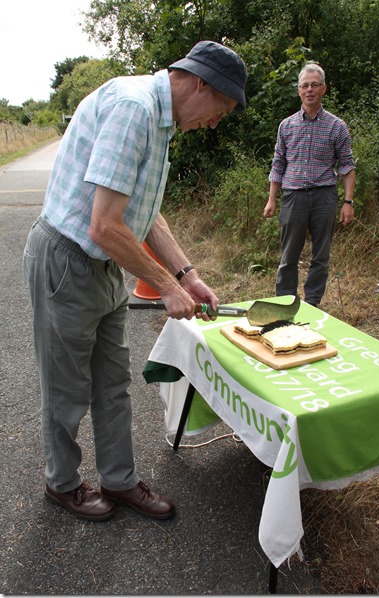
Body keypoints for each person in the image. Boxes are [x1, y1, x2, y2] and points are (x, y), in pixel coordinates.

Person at [23, 41, 248, 522]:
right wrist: (167, 287)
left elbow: (144, 213)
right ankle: (61, 485)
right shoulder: (134, 108)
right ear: (200, 83)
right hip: (66, 260)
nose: (216, 122)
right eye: (221, 109)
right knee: (66, 390)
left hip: (104, 266)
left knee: (112, 384)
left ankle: (120, 482)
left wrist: (188, 276)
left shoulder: (160, 121)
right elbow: (104, 225)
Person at [263, 62, 356, 307]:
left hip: (324, 197)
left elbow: (347, 166)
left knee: (320, 256)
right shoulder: (287, 125)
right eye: (305, 86)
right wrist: (272, 198)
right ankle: (285, 304)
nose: (309, 90)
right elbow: (278, 164)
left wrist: (348, 201)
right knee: (288, 256)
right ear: (299, 91)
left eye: (315, 85)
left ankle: (312, 305)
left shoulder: (337, 127)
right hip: (293, 197)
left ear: (323, 89)